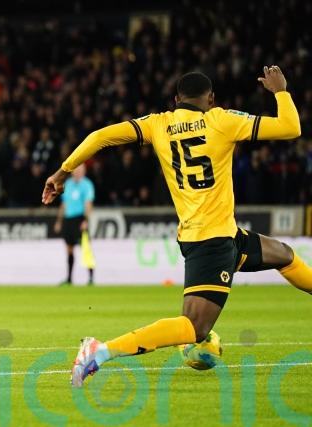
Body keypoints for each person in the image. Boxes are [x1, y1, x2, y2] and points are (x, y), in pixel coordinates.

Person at [42, 66, 311, 387]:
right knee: (195, 327)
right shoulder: (222, 120)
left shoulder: (159, 124)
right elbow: (290, 127)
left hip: (219, 234)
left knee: (283, 254)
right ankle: (100, 351)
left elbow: (99, 137)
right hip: (212, 241)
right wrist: (281, 91)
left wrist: (62, 172)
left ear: (175, 99)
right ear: (210, 99)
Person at [54, 164, 95, 285]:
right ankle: (69, 278)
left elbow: (88, 203)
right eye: (76, 170)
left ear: (84, 172)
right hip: (68, 220)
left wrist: (86, 220)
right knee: (69, 249)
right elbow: (64, 204)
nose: (78, 172)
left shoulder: (87, 185)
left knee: (85, 249)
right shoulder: (68, 184)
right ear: (72, 172)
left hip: (80, 219)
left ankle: (91, 278)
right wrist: (59, 221)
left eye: (81, 170)